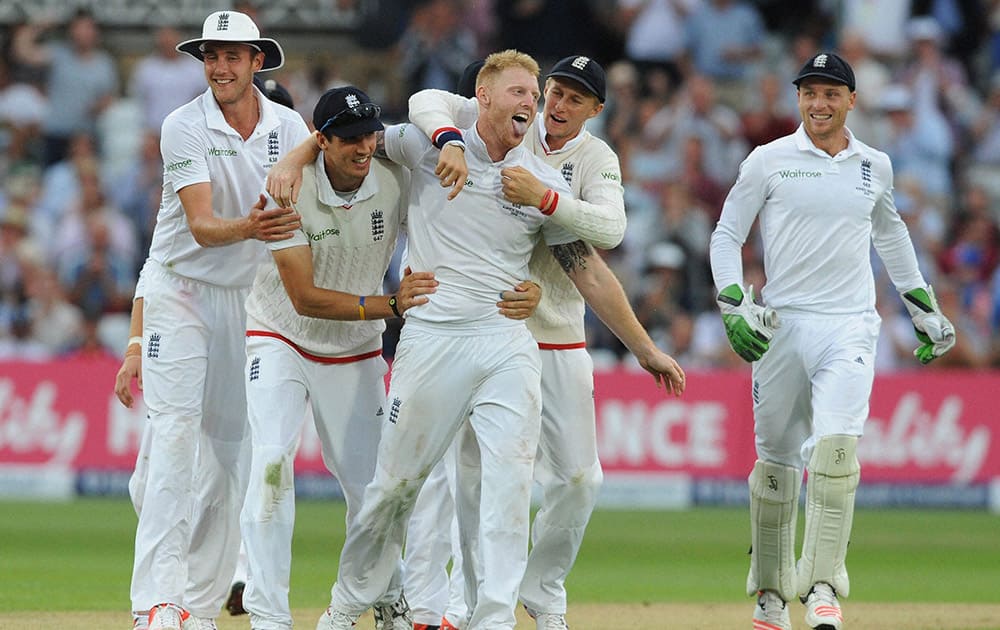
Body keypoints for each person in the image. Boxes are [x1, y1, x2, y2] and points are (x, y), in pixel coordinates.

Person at [401, 55, 687, 630]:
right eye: (552, 92)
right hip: (488, 331)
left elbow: (602, 244)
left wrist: (643, 347)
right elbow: (423, 103)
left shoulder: (591, 159)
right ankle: (463, 605)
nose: (554, 107)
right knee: (475, 477)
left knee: (581, 479)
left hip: (554, 335)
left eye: (573, 100)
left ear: (594, 112)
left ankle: (543, 590)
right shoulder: (511, 129)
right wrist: (451, 140)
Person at [240, 84, 541, 630]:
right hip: (280, 335)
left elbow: (451, 218)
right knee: (271, 464)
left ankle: (390, 593)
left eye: (370, 134)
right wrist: (391, 304)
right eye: (349, 138)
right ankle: (268, 617)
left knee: (373, 490)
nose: (363, 147)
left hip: (355, 347)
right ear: (323, 140)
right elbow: (304, 298)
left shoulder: (396, 176)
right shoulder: (285, 191)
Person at [708, 52, 956, 630]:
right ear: (799, 99)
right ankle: (771, 595)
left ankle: (822, 588)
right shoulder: (768, 160)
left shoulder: (875, 165)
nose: (818, 103)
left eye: (830, 93)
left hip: (850, 325)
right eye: (809, 93)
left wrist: (924, 309)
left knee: (837, 453)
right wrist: (730, 305)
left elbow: (892, 237)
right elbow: (725, 235)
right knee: (774, 470)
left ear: (851, 100)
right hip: (782, 326)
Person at [118, 11, 310, 630]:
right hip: (184, 290)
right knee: (174, 438)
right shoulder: (184, 124)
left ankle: (197, 608)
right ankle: (155, 601)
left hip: (246, 301)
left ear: (259, 61)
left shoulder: (287, 126)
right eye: (211, 56)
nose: (220, 67)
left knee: (232, 458)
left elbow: (320, 166)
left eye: (233, 56)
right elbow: (200, 227)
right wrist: (258, 226)